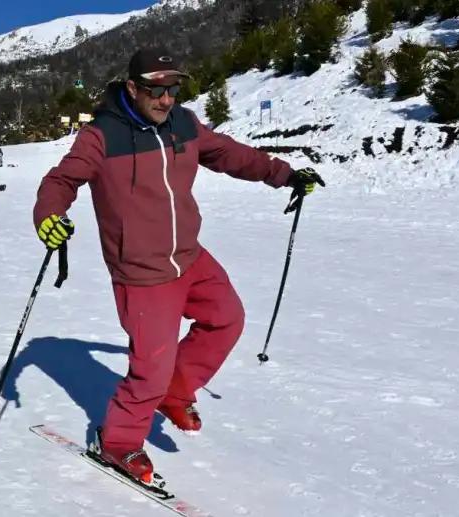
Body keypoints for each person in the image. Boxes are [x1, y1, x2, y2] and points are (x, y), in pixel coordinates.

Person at [33, 48, 324, 485]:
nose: (166, 98)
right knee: (150, 366)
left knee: (227, 319)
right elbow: (61, 181)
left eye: (173, 88)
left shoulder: (183, 124)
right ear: (132, 87)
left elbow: (230, 154)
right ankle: (116, 441)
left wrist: (285, 174)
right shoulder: (100, 136)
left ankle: (175, 390)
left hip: (189, 256)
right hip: (142, 272)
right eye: (156, 89)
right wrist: (49, 216)